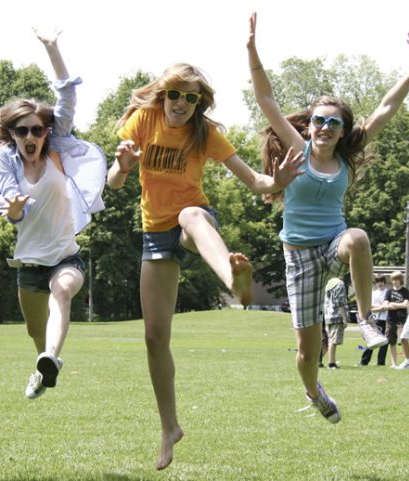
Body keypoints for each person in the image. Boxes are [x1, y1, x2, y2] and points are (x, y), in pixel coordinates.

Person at [106, 61, 303, 469]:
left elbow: (255, 182)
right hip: (153, 234)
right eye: (174, 94)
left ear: (200, 103)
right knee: (154, 339)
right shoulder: (144, 120)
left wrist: (279, 180)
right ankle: (169, 427)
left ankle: (234, 279)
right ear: (163, 96)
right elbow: (114, 182)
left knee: (189, 217)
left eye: (191, 97)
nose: (181, 103)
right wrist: (124, 166)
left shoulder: (205, 134)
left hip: (195, 221)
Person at [247, 12, 409, 422]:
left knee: (359, 237)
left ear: (342, 129)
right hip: (298, 257)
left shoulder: (345, 155)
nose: (326, 127)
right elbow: (266, 100)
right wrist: (252, 50)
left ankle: (365, 320)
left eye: (334, 122)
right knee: (306, 352)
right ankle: (314, 392)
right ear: (309, 127)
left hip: (334, 243)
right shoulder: (298, 147)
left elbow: (387, 107)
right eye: (319, 121)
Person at [0, 28, 105, 400]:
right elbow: (11, 204)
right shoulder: (5, 158)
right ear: (12, 134)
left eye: (37, 129)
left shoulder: (55, 148)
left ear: (45, 130)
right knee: (36, 330)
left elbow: (66, 95)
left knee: (63, 291)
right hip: (28, 263)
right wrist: (15, 212)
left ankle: (52, 356)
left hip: (65, 257)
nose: (31, 135)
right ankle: (43, 363)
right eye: (22, 131)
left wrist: (53, 49)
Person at [360, 274, 389, 366]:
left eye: (381, 281)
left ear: (384, 282)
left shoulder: (387, 292)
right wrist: (380, 308)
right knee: (372, 340)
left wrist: (381, 307)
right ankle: (364, 361)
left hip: (385, 319)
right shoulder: (373, 293)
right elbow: (370, 306)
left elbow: (387, 306)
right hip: (374, 319)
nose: (380, 284)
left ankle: (381, 362)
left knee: (384, 341)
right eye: (378, 282)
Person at [384, 270, 409, 368]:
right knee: (392, 342)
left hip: (402, 319)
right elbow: (386, 305)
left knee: (403, 340)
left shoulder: (405, 291)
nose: (394, 281)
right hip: (390, 319)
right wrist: (398, 305)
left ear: (400, 280)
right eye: (393, 279)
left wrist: (393, 304)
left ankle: (407, 362)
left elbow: (406, 304)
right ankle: (394, 364)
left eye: (396, 279)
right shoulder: (389, 291)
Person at [322, 278, 350, 369]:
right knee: (333, 341)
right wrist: (344, 318)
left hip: (328, 316)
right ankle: (331, 363)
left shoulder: (328, 283)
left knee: (329, 340)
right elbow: (340, 302)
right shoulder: (339, 284)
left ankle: (324, 361)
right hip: (337, 316)